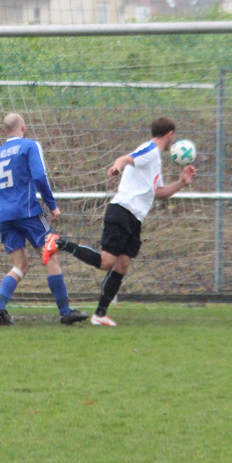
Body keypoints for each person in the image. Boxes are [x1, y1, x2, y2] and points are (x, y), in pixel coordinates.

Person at [43, 117, 196, 326]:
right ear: (170, 135)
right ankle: (58, 243)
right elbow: (126, 158)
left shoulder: (155, 159)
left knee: (122, 264)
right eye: (174, 136)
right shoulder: (150, 150)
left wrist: (182, 183)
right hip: (122, 210)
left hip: (134, 217)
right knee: (107, 262)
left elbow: (158, 193)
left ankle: (100, 314)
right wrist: (117, 167)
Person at [0, 113, 89, 326]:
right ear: (22, 127)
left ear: (4, 130)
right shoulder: (29, 146)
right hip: (27, 212)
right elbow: (40, 177)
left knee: (19, 265)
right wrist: (52, 205)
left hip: (4, 215)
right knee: (50, 254)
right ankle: (65, 312)